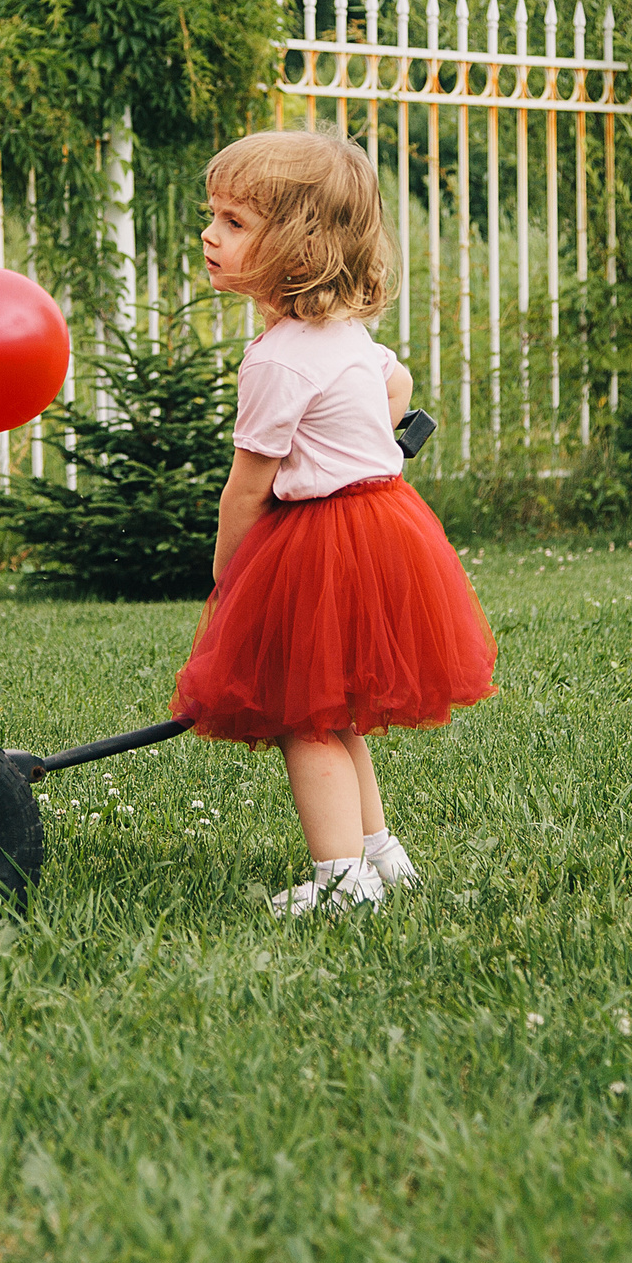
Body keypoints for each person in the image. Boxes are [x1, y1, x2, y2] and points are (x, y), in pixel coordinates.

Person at [172, 129, 496, 916]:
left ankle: (340, 880)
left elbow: (246, 492)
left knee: (303, 719)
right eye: (212, 216)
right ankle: (379, 852)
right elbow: (399, 379)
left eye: (235, 221)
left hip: (324, 541)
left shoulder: (278, 358)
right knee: (335, 705)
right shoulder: (342, 333)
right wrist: (370, 444)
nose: (211, 235)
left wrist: (230, 580)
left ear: (300, 245)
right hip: (385, 522)